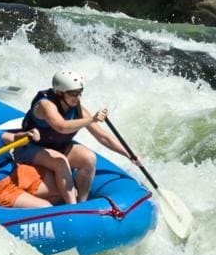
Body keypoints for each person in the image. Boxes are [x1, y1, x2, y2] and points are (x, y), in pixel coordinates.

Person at [16, 69, 137, 203]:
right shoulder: (46, 105)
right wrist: (92, 119)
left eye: (80, 93)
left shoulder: (78, 108)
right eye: (73, 94)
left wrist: (129, 154)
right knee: (60, 161)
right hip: (30, 148)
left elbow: (103, 136)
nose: (78, 98)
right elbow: (61, 126)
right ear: (60, 93)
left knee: (88, 158)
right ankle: (72, 207)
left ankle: (82, 203)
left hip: (55, 147)